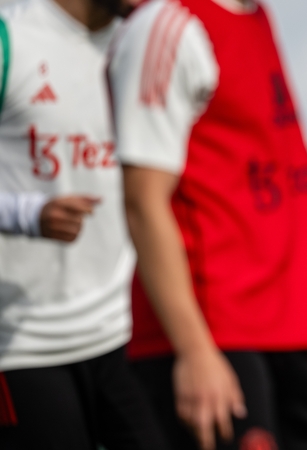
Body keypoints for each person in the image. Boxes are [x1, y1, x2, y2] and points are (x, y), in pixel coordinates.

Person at [106, 1, 307, 449]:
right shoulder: (166, 26)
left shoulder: (255, 20)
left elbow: (276, 179)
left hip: (277, 327)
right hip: (212, 337)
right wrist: (194, 351)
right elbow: (143, 204)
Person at [0, 0, 170, 448]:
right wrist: (26, 215)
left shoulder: (149, 43)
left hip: (127, 332)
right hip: (22, 346)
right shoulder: (10, 35)